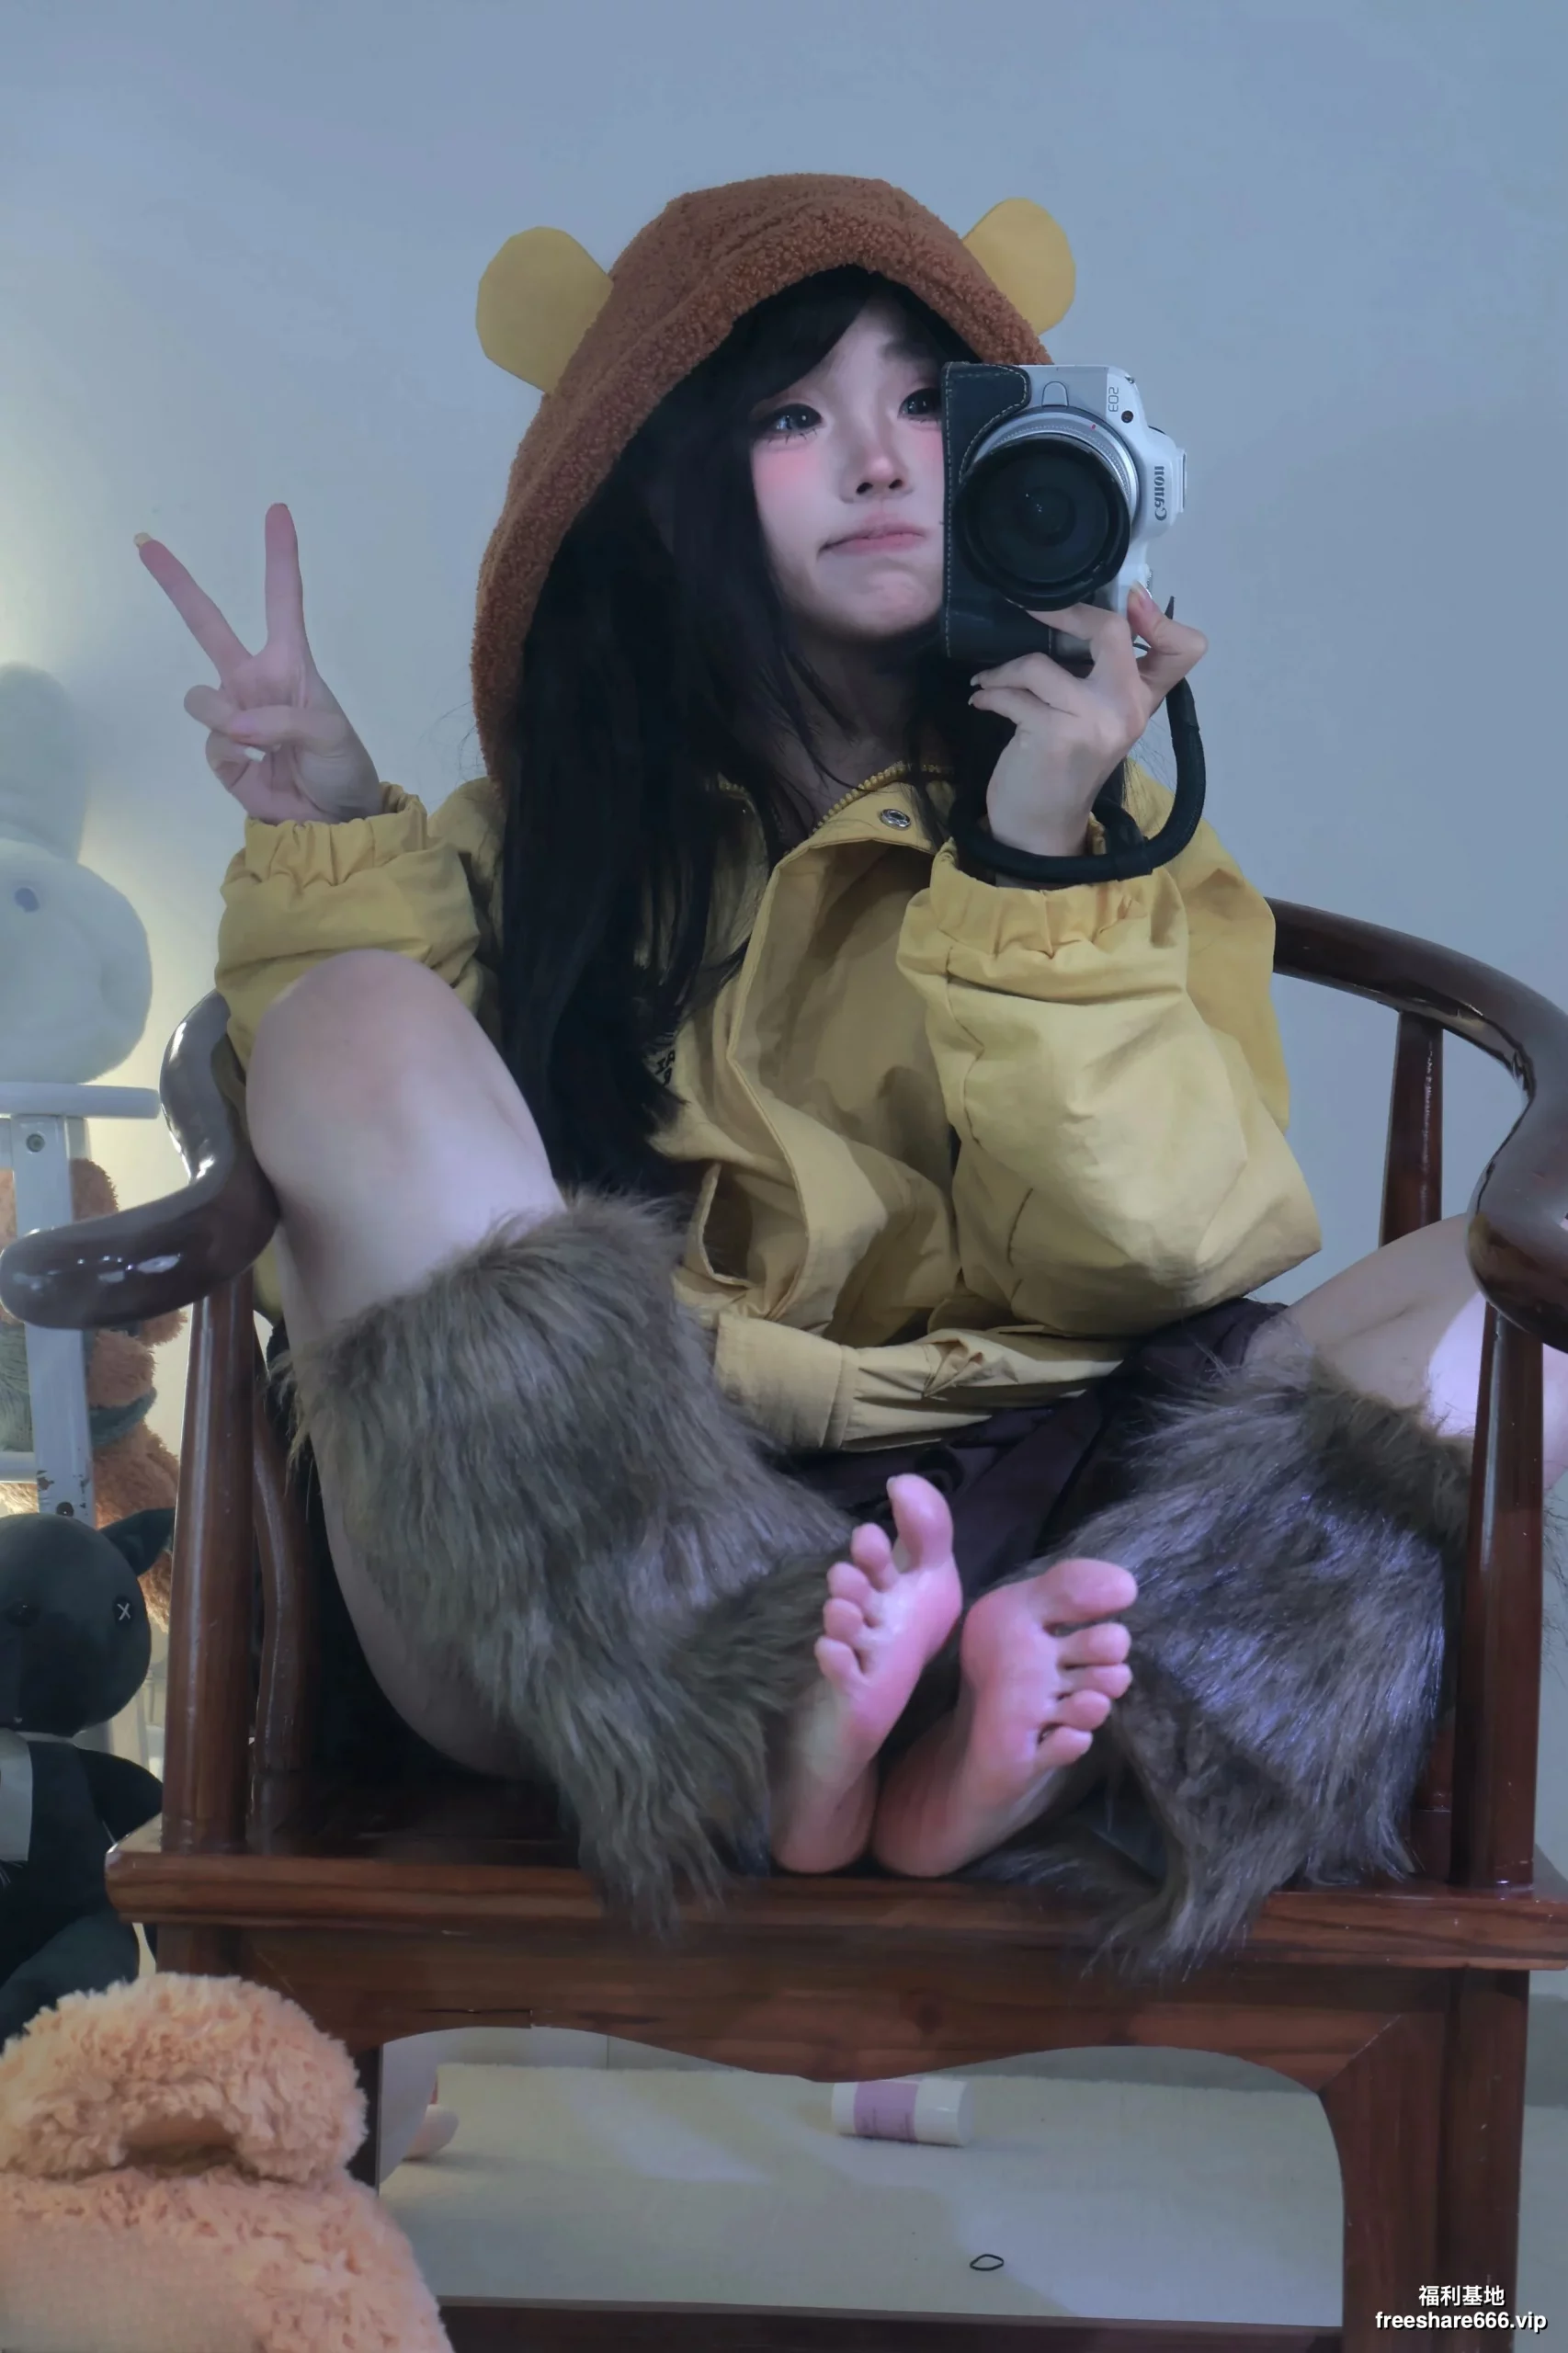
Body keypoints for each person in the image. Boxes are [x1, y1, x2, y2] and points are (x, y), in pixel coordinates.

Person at [139, 176, 1565, 1970]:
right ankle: (772, 1718)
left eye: (928, 404)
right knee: (351, 1016)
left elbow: (1155, 1256)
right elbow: (372, 1195)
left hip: (1073, 1496)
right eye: (794, 416)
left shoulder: (1112, 838)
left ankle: (1007, 1738)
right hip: (634, 1535)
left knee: (1505, 1299)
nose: (882, 461)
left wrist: (1038, 865)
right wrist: (340, 834)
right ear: (662, 483)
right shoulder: (552, 844)